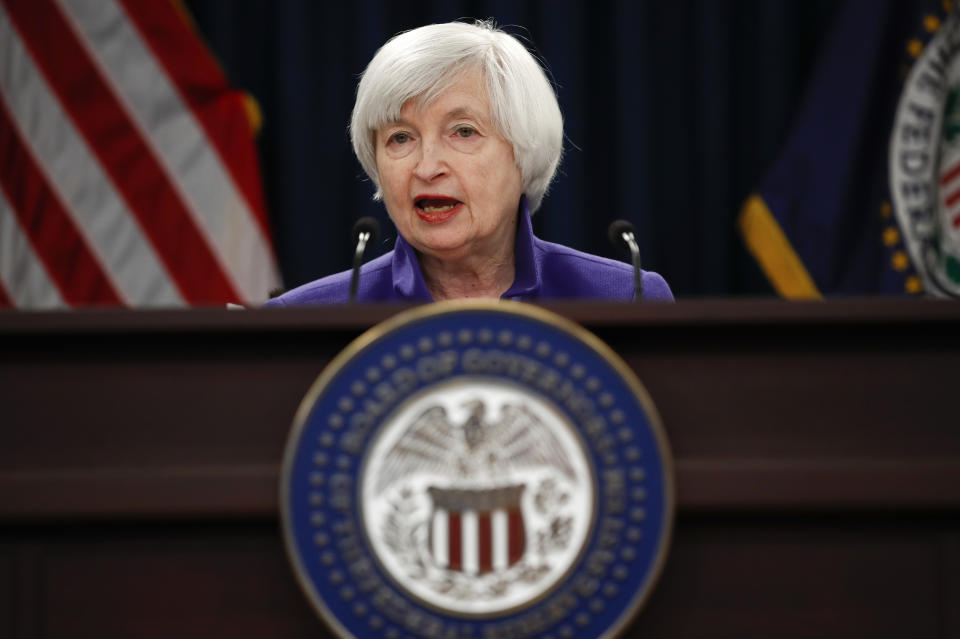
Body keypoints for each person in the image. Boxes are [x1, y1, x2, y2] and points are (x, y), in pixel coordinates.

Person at [265, 20, 672, 306]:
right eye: (400, 138)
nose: (427, 168)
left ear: (523, 151)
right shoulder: (311, 320)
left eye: (463, 132)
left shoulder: (626, 298)